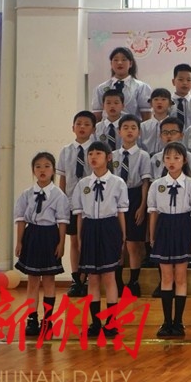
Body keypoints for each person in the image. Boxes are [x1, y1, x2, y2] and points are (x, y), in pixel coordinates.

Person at [71, 141, 128, 340]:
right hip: (90, 228)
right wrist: (80, 237)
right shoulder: (82, 184)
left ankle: (111, 323)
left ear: (108, 157)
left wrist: (122, 237)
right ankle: (95, 323)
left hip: (109, 227)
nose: (93, 157)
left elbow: (121, 213)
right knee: (93, 278)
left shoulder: (117, 183)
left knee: (109, 277)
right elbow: (80, 215)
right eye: (91, 154)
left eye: (98, 153)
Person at [148, 142, 191, 338]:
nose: (172, 161)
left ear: (184, 160)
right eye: (168, 158)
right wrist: (152, 236)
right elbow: (153, 213)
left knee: (180, 277)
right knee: (166, 277)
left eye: (176, 158)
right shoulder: (157, 185)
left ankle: (179, 322)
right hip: (164, 227)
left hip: (183, 227)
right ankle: (166, 322)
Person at [15, 152, 70, 337]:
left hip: (49, 236)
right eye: (38, 166)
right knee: (32, 281)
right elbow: (21, 219)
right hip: (31, 235)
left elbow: (62, 222)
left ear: (53, 170)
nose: (42, 170)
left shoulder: (59, 195)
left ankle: (47, 320)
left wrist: (61, 243)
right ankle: (32, 320)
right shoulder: (26, 194)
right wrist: (19, 241)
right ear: (33, 170)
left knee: (48, 280)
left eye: (47, 166)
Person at [112, 114, 152, 297]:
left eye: (133, 128)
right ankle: (118, 281)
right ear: (119, 131)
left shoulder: (143, 155)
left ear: (139, 132)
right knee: (118, 242)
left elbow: (145, 182)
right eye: (125, 127)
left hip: (135, 196)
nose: (129, 131)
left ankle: (134, 282)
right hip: (116, 197)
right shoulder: (112, 156)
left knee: (134, 244)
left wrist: (142, 206)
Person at [57, 110, 96, 297]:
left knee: (87, 241)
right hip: (71, 202)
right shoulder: (66, 151)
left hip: (90, 203)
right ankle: (76, 279)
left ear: (93, 129)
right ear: (73, 127)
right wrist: (62, 200)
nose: (82, 127)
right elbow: (63, 178)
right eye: (79, 124)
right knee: (73, 240)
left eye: (87, 124)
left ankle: (87, 277)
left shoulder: (96, 150)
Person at [91, 47, 152, 121]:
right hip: (108, 128)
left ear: (130, 63)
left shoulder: (141, 87)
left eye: (124, 59)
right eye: (116, 60)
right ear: (111, 64)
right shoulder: (101, 88)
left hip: (131, 127)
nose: (119, 63)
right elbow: (97, 116)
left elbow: (146, 116)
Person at [140, 88, 172, 156]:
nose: (159, 102)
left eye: (163, 99)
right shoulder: (142, 126)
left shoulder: (174, 126)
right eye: (156, 99)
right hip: (146, 158)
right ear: (151, 103)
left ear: (170, 103)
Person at [170, 63, 191, 129]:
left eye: (188, 80)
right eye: (180, 79)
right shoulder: (167, 103)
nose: (185, 83)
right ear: (173, 82)